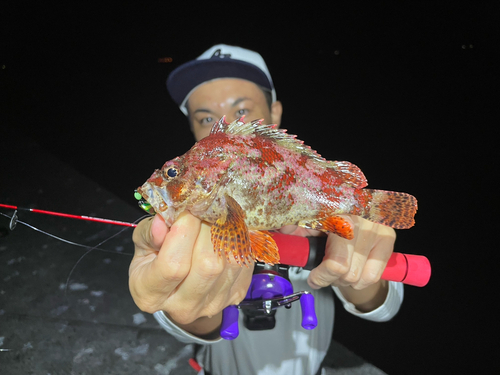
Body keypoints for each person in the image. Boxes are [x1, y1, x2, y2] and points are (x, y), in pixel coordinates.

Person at [129, 44, 403, 375]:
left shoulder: (307, 192)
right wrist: (177, 299)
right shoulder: (192, 219)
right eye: (205, 117)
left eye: (241, 112)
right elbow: (185, 323)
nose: (224, 122)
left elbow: (383, 308)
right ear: (192, 129)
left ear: (274, 112)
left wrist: (360, 272)